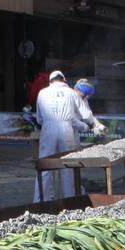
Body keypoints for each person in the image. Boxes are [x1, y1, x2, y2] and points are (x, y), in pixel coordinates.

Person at [33, 70, 88, 201]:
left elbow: (39, 119)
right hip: (66, 130)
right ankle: (69, 200)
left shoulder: (42, 93)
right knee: (67, 166)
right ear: (63, 79)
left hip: (48, 129)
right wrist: (86, 126)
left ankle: (41, 200)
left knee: (45, 165)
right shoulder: (71, 93)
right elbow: (80, 115)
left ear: (50, 81)